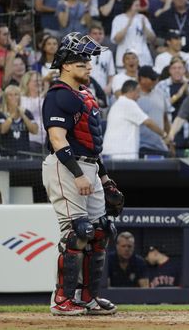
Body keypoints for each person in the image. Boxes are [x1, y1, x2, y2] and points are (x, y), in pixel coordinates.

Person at [41, 32, 124, 316]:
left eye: (89, 61)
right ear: (65, 65)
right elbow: (57, 138)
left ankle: (87, 298)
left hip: (88, 165)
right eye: (81, 62)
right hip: (66, 166)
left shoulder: (85, 94)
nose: (88, 66)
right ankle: (62, 299)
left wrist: (105, 179)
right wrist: (77, 174)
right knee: (78, 232)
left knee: (101, 230)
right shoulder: (58, 95)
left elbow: (91, 144)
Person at [103, 80, 169, 160]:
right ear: (131, 91)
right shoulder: (128, 103)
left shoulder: (117, 104)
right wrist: (164, 135)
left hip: (112, 154)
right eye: (138, 92)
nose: (139, 96)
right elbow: (148, 122)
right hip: (120, 154)